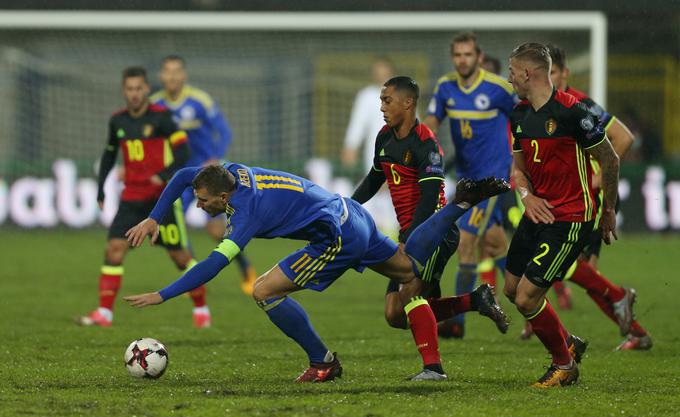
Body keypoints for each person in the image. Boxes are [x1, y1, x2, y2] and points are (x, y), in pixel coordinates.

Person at [122, 163, 509, 382]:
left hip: (335, 238)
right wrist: (155, 218)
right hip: (350, 213)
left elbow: (213, 265)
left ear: (223, 198)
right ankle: (460, 209)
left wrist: (163, 294)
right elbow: (180, 178)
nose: (199, 206)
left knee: (264, 291)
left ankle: (323, 361)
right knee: (408, 269)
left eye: (204, 202)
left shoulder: (246, 213)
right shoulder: (230, 172)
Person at [350, 76, 509, 334]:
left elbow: (429, 198)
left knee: (409, 299)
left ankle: (432, 369)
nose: (381, 107)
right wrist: (346, 207)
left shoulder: (426, 143)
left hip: (435, 233)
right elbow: (373, 180)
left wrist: (410, 239)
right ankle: (474, 301)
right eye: (381, 101)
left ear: (408, 103)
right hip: (409, 232)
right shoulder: (384, 138)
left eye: (387, 101)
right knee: (394, 314)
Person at [505, 42, 622, 387]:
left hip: (570, 219)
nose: (509, 77)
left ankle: (564, 364)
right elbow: (518, 169)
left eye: (512, 71)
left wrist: (608, 210)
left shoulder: (574, 113)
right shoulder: (519, 115)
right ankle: (566, 342)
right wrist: (526, 196)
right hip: (536, 214)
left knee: (528, 296)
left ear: (527, 72)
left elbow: (610, 159)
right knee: (512, 290)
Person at [519, 44, 650, 351]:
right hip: (571, 200)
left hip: (586, 199)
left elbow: (624, 138)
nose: (545, 78)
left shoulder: (578, 104)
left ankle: (620, 304)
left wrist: (597, 179)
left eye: (552, 72)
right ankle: (635, 329)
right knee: (581, 271)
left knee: (571, 266)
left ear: (563, 73)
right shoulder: (539, 108)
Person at [77, 66, 211, 328]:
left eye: (139, 88)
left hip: (160, 201)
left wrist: (162, 175)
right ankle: (104, 313)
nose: (135, 93)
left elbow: (184, 153)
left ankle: (201, 309)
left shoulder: (163, 118)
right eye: (130, 89)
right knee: (114, 251)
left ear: (147, 89)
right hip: (130, 199)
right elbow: (109, 154)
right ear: (124, 91)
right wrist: (101, 186)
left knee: (180, 258)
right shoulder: (118, 121)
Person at [424, 32, 517, 338]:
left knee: (465, 243)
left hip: (492, 180)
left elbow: (523, 117)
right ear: (454, 58)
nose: (463, 60)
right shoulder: (446, 87)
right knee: (495, 244)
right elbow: (432, 122)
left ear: (478, 56)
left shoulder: (498, 89)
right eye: (458, 55)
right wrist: (423, 144)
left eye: (468, 54)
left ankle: (456, 323)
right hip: (467, 179)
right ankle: (531, 302)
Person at [151, 55, 257, 297]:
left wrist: (216, 157)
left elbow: (224, 132)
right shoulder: (155, 105)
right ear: (161, 76)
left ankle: (246, 270)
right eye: (167, 71)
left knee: (216, 231)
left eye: (177, 71)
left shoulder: (200, 101)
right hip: (178, 177)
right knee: (176, 232)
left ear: (184, 75)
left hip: (206, 176)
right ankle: (195, 278)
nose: (172, 76)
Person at [341, 57, 398, 235]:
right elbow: (357, 123)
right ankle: (376, 236)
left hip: (401, 153)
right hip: (374, 155)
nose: (380, 76)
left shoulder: (403, 96)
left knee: (395, 194)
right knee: (376, 192)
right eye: (377, 72)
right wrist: (350, 146)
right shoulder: (366, 96)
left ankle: (395, 238)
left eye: (384, 72)